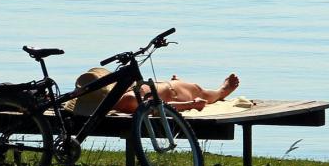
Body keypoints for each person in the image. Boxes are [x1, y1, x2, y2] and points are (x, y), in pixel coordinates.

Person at [65, 68, 240, 116]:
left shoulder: (120, 93)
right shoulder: (126, 100)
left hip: (167, 87)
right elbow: (157, 108)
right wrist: (189, 105)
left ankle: (218, 92)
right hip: (175, 94)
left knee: (198, 90)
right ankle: (221, 91)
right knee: (203, 93)